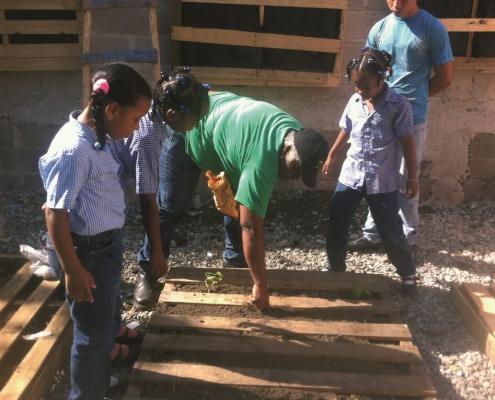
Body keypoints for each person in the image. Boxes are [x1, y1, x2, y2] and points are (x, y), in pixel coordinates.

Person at [148, 89, 329, 310]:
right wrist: (261, 285)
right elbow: (250, 226)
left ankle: (234, 260)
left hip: (221, 128)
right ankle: (148, 270)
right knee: (170, 207)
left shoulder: (297, 134)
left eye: (302, 173)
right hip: (188, 127)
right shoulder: (261, 161)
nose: (295, 176)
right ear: (289, 148)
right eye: (296, 168)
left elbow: (246, 211)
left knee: (237, 203)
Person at [39, 62, 152, 399]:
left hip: (102, 247)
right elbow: (55, 214)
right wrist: (73, 270)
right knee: (93, 335)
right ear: (112, 108)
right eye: (134, 120)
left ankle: (97, 380)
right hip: (85, 254)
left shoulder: (96, 136)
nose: (134, 130)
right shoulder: (74, 149)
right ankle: (87, 392)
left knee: (104, 317)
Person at [349, 0, 454, 251]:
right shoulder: (379, 29)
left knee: (408, 178)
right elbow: (367, 69)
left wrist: (413, 100)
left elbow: (445, 78)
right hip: (380, 116)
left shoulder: (432, 29)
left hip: (413, 118)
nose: (396, 4)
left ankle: (409, 239)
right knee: (377, 175)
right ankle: (373, 234)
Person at [111, 68, 210, 309]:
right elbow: (147, 201)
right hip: (106, 183)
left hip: (114, 178)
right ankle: (143, 272)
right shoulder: (148, 138)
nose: (196, 126)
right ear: (172, 114)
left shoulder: (159, 118)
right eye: (193, 120)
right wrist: (157, 251)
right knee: (105, 243)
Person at [322, 48, 419, 294]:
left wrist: (413, 176)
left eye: (365, 87)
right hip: (352, 173)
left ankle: (407, 273)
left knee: (389, 228)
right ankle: (335, 267)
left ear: (381, 78)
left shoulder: (398, 105)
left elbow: (408, 142)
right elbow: (346, 128)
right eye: (355, 85)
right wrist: (332, 155)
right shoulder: (354, 101)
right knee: (336, 223)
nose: (359, 92)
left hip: (382, 178)